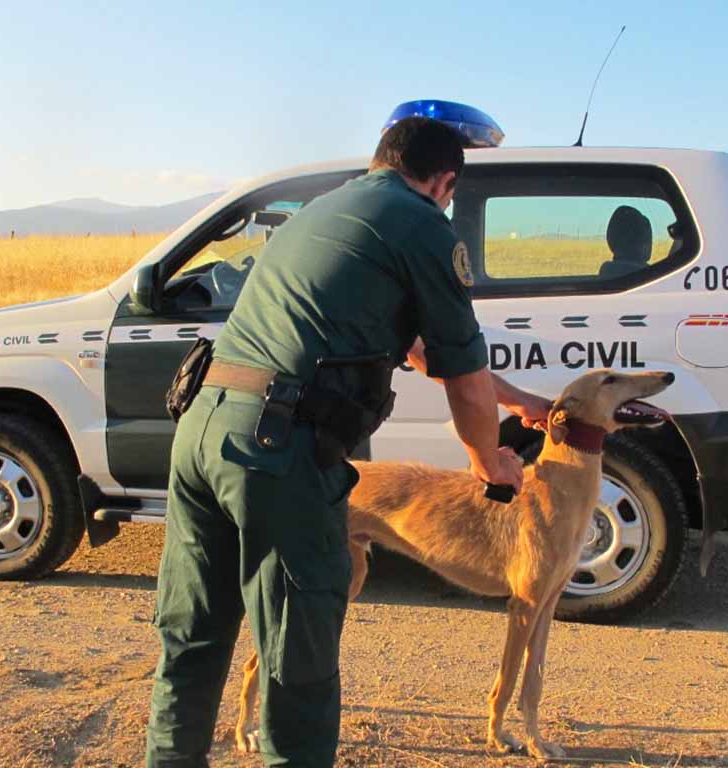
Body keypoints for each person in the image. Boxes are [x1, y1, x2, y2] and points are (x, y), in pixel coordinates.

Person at [145, 116, 551, 767]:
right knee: (296, 665)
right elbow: (464, 381)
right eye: (449, 193)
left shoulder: (323, 211)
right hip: (276, 450)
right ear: (444, 181)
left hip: (201, 432)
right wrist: (488, 463)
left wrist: (519, 401)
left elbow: (421, 351)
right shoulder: (422, 223)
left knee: (191, 646)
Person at [596, 204, 653, 281]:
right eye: (649, 238)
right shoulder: (652, 276)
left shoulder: (606, 271)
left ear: (611, 240)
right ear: (644, 244)